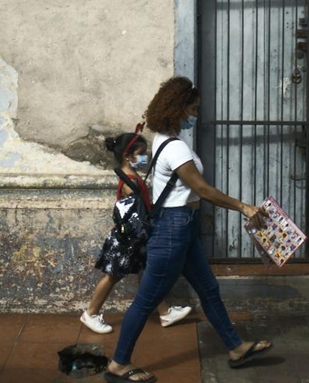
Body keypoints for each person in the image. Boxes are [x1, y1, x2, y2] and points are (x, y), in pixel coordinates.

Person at [104, 77, 272, 383]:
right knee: (146, 300)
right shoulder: (176, 148)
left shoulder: (162, 141)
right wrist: (244, 207)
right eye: (192, 109)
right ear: (178, 108)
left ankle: (236, 347)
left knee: (208, 288)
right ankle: (118, 363)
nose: (194, 115)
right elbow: (202, 189)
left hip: (183, 227)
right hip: (173, 229)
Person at [81, 133, 192, 334]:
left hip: (133, 238)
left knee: (148, 272)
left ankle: (165, 311)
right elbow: (135, 212)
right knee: (113, 276)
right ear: (127, 156)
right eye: (140, 154)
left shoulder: (130, 175)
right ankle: (90, 313)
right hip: (128, 240)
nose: (144, 158)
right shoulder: (130, 180)